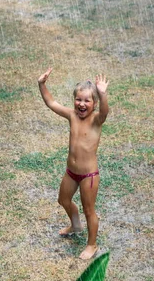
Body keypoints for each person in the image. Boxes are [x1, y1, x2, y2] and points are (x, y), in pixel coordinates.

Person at [37, 67, 109, 260]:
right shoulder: (72, 115)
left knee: (89, 210)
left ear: (93, 104)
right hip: (71, 172)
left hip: (88, 176)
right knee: (63, 200)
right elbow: (51, 103)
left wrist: (102, 95)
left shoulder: (96, 120)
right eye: (78, 99)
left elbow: (105, 112)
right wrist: (42, 84)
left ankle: (92, 244)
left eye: (87, 100)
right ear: (74, 101)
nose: (82, 104)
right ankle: (76, 225)